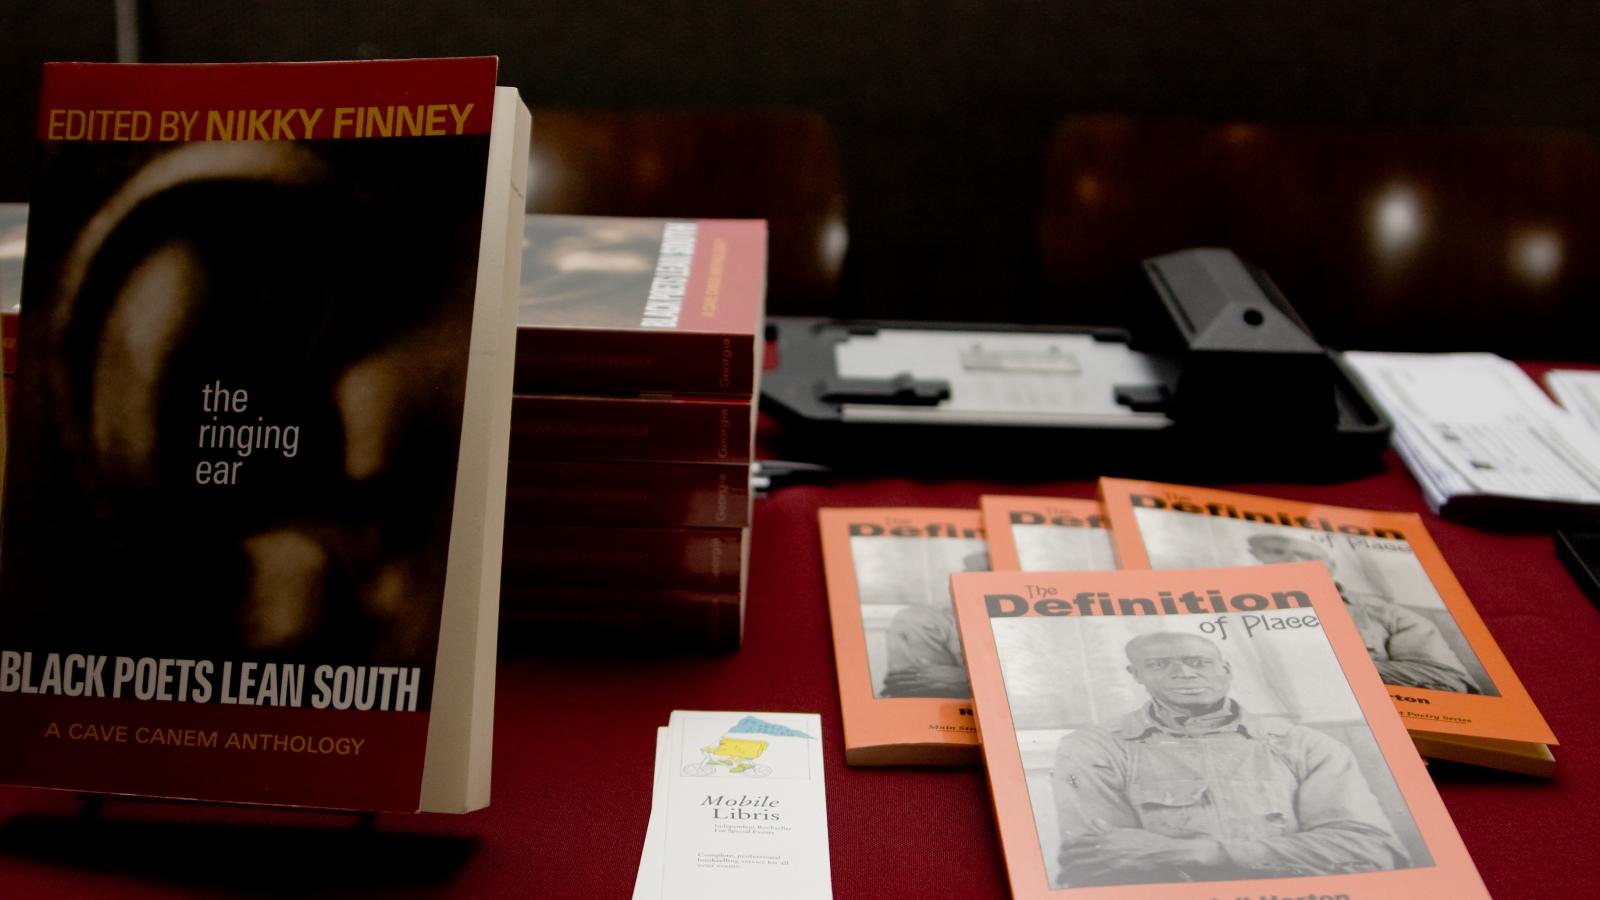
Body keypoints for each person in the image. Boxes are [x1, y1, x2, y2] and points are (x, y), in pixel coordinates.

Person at [1051, 632, 1411, 886]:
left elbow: (1371, 851)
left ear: (1226, 669)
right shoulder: (1093, 748)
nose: (1184, 673)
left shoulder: (1307, 746)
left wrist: (1205, 853)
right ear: (1137, 675)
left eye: (1198, 662)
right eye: (1160, 664)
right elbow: (1101, 863)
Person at [1245, 533, 1479, 694]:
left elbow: (1450, 681)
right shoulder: (1241, 612)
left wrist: (1328, 668)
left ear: (1332, 567)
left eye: (1307, 556)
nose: (1294, 562)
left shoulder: (1389, 615)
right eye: (1276, 553)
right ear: (1255, 561)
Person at [877, 548, 987, 699]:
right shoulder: (924, 620)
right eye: (970, 572)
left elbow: (1027, 685)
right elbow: (921, 687)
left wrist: (966, 679)